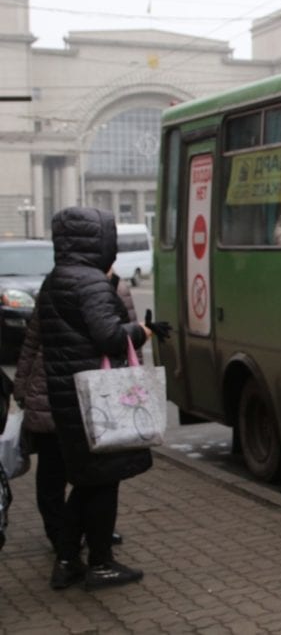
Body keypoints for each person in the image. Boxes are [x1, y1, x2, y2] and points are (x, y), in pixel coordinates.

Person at [36, 207, 152, 591]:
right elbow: (110, 337)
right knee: (103, 482)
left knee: (87, 481)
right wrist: (139, 331)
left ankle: (68, 560)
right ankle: (101, 563)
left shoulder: (55, 279)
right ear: (99, 241)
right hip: (98, 400)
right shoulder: (91, 282)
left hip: (67, 395)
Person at [13, 268, 138, 556]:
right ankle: (63, 540)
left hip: (98, 398)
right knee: (55, 476)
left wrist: (133, 382)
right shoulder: (55, 284)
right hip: (53, 398)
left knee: (92, 477)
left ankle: (90, 532)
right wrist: (21, 388)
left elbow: (126, 342)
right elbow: (33, 340)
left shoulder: (116, 287)